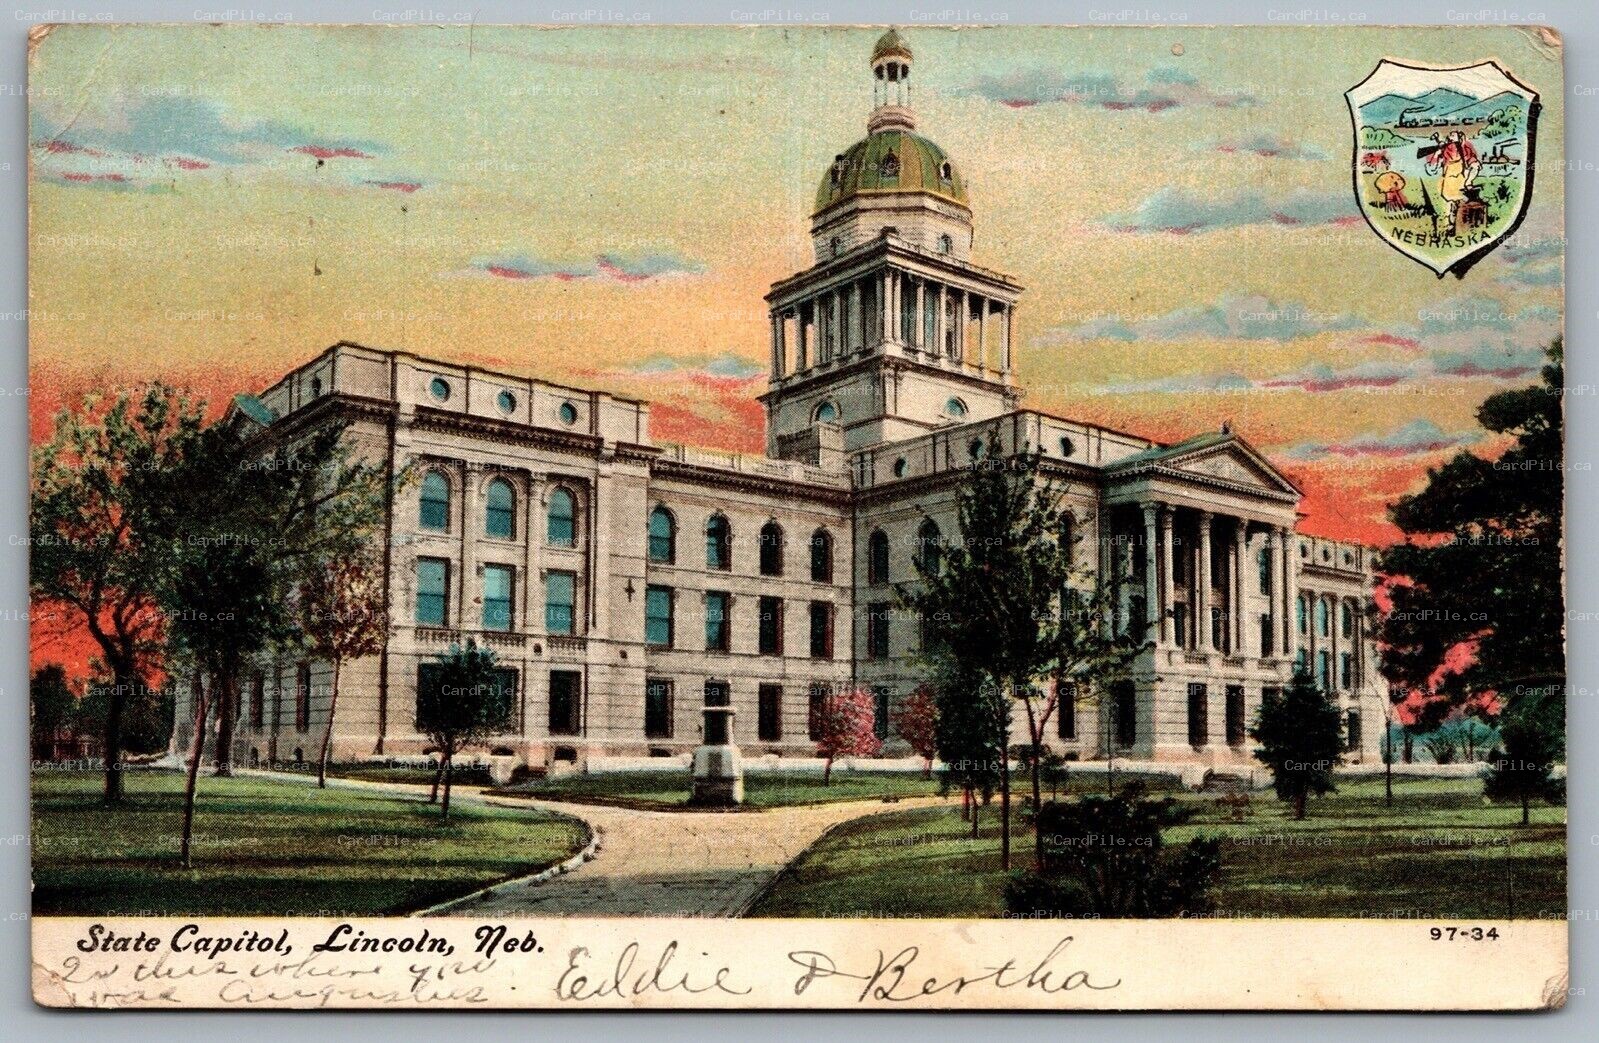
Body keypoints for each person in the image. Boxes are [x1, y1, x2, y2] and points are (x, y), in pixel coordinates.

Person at [1424, 130, 1481, 231]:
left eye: (1453, 135)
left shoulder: (1463, 148)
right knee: (1454, 204)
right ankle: (1452, 226)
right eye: (1450, 135)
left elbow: (1472, 161)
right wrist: (1437, 154)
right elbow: (1433, 165)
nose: (1451, 136)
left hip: (1460, 179)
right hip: (1450, 181)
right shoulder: (1447, 148)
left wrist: (1469, 178)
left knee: (1459, 203)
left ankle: (1457, 225)